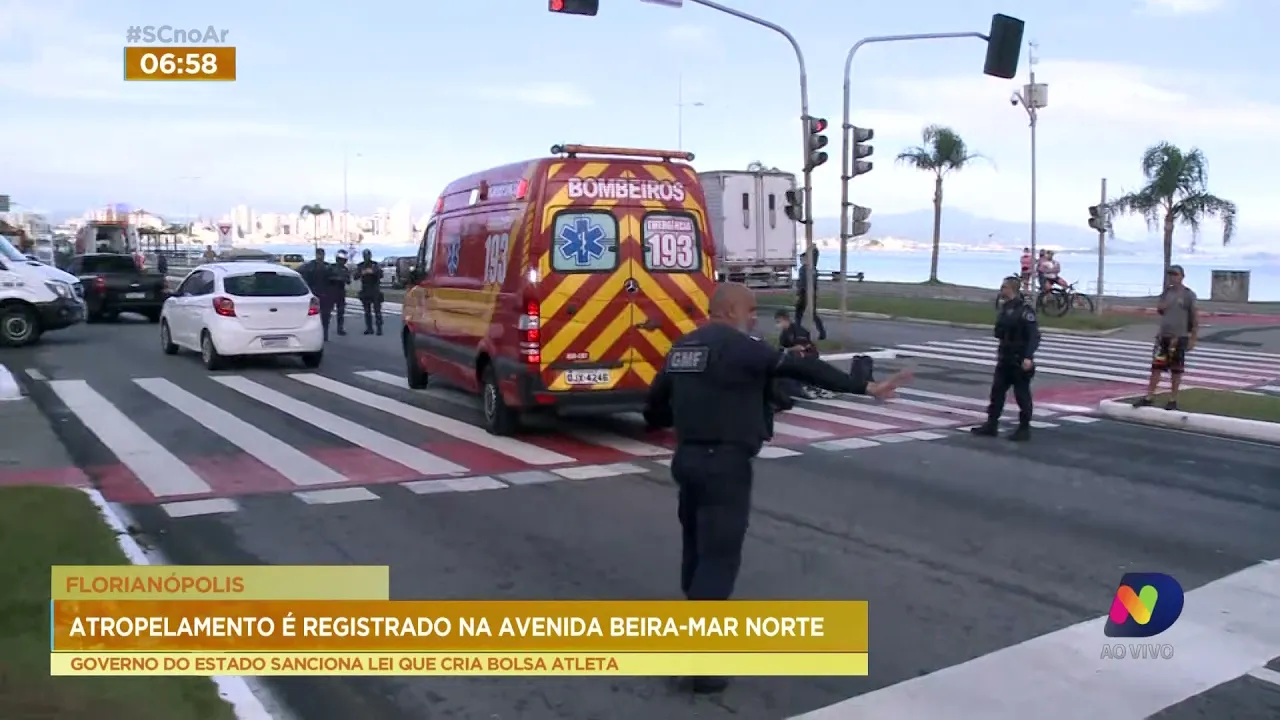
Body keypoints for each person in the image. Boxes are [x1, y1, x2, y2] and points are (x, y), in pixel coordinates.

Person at [643, 282, 911, 694]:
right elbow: (798, 367)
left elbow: (654, 409)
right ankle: (700, 667)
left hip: (688, 460)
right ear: (730, 310)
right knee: (718, 560)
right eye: (751, 310)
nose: (755, 318)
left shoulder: (683, 348)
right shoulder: (740, 347)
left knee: (696, 554)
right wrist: (864, 387)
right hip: (725, 465)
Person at [971, 276, 1039, 441]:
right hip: (1005, 357)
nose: (1001, 290)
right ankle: (991, 424)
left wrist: (1028, 357)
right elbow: (999, 331)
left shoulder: (1024, 311)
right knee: (997, 392)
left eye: (1004, 287)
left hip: (1019, 358)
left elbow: (1033, 336)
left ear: (1011, 289)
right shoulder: (1005, 308)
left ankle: (1024, 428)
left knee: (1022, 395)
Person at [1132, 265, 1198, 410]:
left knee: (1176, 369)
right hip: (1164, 336)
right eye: (1170, 275)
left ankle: (1173, 399)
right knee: (1156, 367)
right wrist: (1162, 306)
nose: (1172, 277)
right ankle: (1149, 396)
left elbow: (1194, 317)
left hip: (1178, 336)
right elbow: (1161, 310)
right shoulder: (1167, 292)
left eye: (1175, 274)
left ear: (1182, 276)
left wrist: (1193, 337)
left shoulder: (1188, 295)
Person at [774, 309, 835, 400]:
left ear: (785, 320)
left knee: (794, 356)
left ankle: (809, 385)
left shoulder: (798, 330)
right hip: (796, 355)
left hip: (809, 353)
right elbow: (782, 348)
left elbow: (801, 347)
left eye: (779, 322)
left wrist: (787, 350)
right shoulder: (784, 333)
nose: (778, 325)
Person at [298, 248, 336, 340]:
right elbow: (300, 274)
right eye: (319, 254)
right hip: (314, 294)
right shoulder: (309, 266)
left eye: (322, 255)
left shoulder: (328, 267)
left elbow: (334, 278)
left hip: (326, 294)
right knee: (312, 316)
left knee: (326, 316)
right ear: (316, 255)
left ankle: (324, 333)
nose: (320, 256)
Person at [794, 246, 827, 341]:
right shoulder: (813, 269)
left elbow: (802, 283)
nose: (801, 261)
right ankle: (822, 332)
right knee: (813, 314)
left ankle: (796, 332)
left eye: (801, 259)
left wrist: (798, 293)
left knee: (798, 314)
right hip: (812, 294)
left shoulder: (803, 269)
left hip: (804, 294)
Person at [355, 249, 384, 335]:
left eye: (368, 255)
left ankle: (379, 328)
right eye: (365, 256)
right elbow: (355, 276)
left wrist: (373, 272)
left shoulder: (375, 264)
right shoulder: (360, 265)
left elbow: (381, 274)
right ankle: (369, 328)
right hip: (365, 290)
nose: (366, 257)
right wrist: (361, 273)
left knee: (377, 311)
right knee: (367, 312)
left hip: (374, 289)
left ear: (370, 256)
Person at [330, 250, 352, 336]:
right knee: (327, 311)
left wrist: (343, 279)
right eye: (340, 259)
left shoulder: (345, 269)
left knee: (341, 311)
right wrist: (336, 278)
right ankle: (325, 327)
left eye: (343, 260)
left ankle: (340, 328)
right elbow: (327, 277)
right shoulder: (331, 267)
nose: (342, 261)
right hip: (331, 291)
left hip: (340, 292)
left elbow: (348, 281)